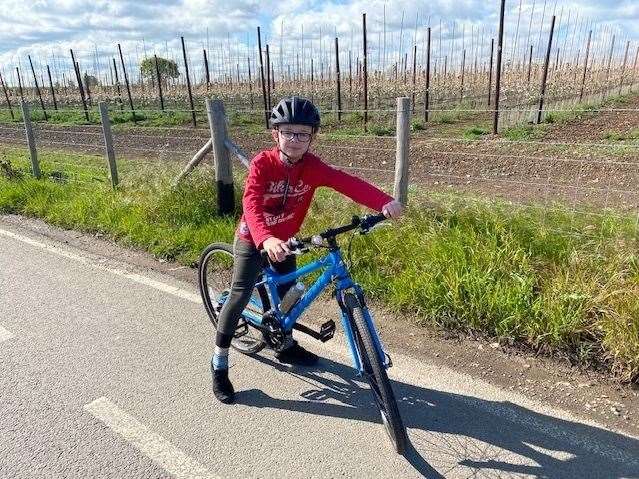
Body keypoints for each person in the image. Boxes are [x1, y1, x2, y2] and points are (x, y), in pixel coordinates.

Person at [212, 96, 404, 404]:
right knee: (240, 294)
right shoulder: (263, 163)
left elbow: (347, 183)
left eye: (303, 133)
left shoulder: (313, 167)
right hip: (254, 237)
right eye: (288, 132)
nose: (295, 139)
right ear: (276, 134)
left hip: (286, 240)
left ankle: (284, 344)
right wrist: (265, 239)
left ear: (312, 136)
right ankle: (219, 363)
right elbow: (250, 204)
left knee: (291, 292)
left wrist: (383, 201)